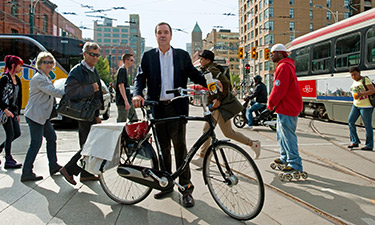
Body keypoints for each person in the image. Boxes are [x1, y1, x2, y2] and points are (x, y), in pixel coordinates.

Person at [132, 22, 208, 208]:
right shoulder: (148, 56)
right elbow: (140, 77)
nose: (163, 35)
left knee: (180, 148)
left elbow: (194, 74)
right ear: (156, 36)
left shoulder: (181, 55)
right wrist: (137, 93)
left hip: (177, 108)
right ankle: (166, 185)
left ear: (171, 36)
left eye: (166, 32)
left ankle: (186, 188)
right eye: (159, 32)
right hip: (157, 108)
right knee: (163, 148)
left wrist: (209, 83)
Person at [192, 50, 260, 169]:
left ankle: (253, 144)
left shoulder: (212, 70)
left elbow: (225, 83)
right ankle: (202, 158)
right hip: (214, 106)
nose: (200, 60)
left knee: (228, 133)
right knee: (207, 131)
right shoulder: (208, 69)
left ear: (207, 60)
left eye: (202, 58)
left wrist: (218, 99)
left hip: (219, 106)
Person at [59, 42, 104, 185]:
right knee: (88, 145)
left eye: (97, 55)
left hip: (90, 113)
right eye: (92, 54)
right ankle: (69, 169)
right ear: (84, 54)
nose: (95, 58)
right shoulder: (78, 70)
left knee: (90, 144)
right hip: (82, 113)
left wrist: (97, 114)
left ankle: (86, 174)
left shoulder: (93, 70)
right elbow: (70, 91)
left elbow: (98, 95)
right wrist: (91, 88)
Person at [20, 52, 65, 182]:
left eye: (50, 62)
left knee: (51, 138)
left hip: (42, 116)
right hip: (35, 115)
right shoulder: (39, 78)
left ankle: (53, 165)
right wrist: (69, 93)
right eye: (45, 62)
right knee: (36, 143)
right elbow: (54, 92)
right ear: (39, 64)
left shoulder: (45, 77)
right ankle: (26, 172)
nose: (48, 64)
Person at [267, 43, 303, 173]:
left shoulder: (284, 67)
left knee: (288, 136)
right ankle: (284, 157)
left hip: (288, 106)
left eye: (272, 53)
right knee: (281, 135)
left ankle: (294, 164)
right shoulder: (285, 66)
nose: (270, 56)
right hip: (284, 107)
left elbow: (278, 89)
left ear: (279, 53)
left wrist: (270, 105)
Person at [0, 55, 23, 169]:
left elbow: (19, 97)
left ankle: (0, 149)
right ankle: (8, 159)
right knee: (10, 134)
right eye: (20, 65)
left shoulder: (17, 79)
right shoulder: (4, 79)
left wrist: (17, 113)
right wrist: (5, 110)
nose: (21, 68)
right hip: (4, 112)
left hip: (13, 112)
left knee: (17, 133)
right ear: (13, 65)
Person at [347, 66, 375, 151]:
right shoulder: (354, 82)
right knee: (350, 121)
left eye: (355, 74)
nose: (354, 77)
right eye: (352, 75)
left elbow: (372, 90)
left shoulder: (365, 80)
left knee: (367, 125)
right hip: (356, 105)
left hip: (366, 106)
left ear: (359, 73)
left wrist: (361, 94)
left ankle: (369, 145)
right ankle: (355, 141)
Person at [115, 53, 138, 122]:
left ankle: (129, 132)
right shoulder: (122, 70)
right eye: (131, 60)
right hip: (123, 102)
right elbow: (121, 86)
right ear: (126, 60)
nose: (132, 62)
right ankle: (121, 132)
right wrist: (125, 101)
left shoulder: (125, 70)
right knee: (121, 122)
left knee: (134, 119)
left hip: (128, 100)